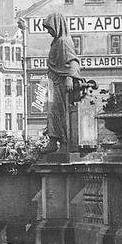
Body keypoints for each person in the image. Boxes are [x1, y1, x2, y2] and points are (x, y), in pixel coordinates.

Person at [43, 11, 84, 153]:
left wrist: (69, 78)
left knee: (61, 113)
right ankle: (53, 141)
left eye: (49, 28)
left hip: (62, 83)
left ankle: (64, 143)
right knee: (53, 112)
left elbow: (73, 62)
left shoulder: (64, 41)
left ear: (57, 25)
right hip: (54, 82)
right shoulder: (56, 42)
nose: (48, 31)